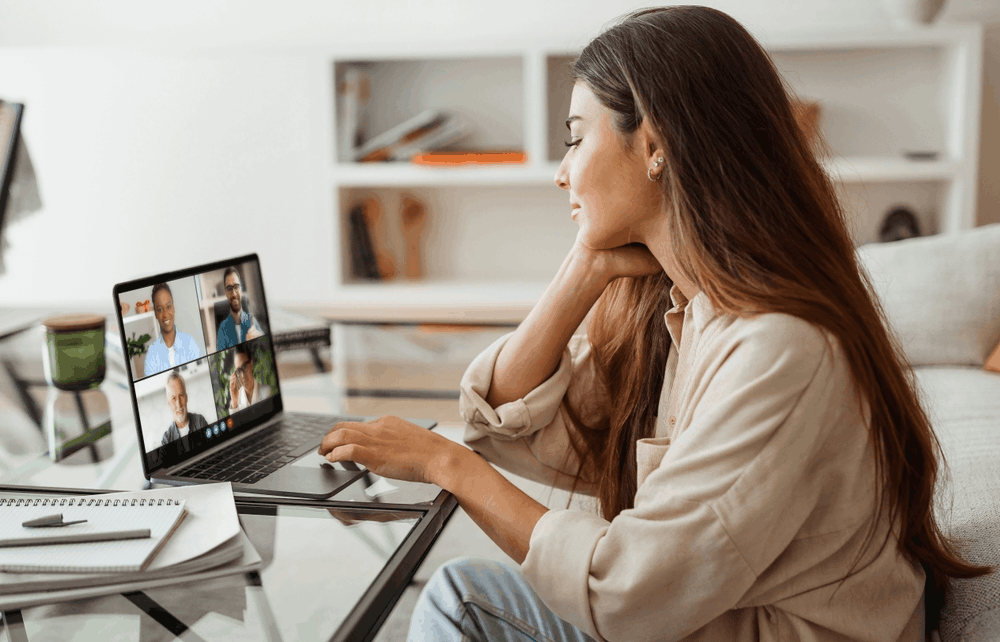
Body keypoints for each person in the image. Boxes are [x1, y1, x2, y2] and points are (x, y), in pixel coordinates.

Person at [317, 7, 993, 642]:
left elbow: (627, 592)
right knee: (463, 592)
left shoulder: (781, 346)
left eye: (576, 139)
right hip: (722, 621)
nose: (561, 173)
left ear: (656, 145)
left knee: (461, 598)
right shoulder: (691, 314)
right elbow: (511, 422)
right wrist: (584, 268)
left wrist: (446, 466)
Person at [144, 282, 203, 377]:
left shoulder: (190, 343)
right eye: (160, 309)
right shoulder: (151, 355)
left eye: (168, 307)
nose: (165, 314)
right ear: (155, 313)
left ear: (173, 308)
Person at [216, 267, 264, 350]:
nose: (234, 294)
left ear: (241, 289)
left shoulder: (251, 319)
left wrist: (259, 337)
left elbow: (266, 347)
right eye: (229, 288)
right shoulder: (222, 329)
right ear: (226, 293)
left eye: (236, 286)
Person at [159, 371, 209, 447]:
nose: (179, 404)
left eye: (181, 395)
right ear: (168, 404)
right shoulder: (166, 440)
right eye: (173, 398)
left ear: (186, 397)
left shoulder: (200, 421)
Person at [228, 343, 271, 412]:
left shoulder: (266, 392)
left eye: (244, 366)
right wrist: (235, 403)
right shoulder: (234, 401)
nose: (242, 375)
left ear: (251, 364)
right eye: (238, 370)